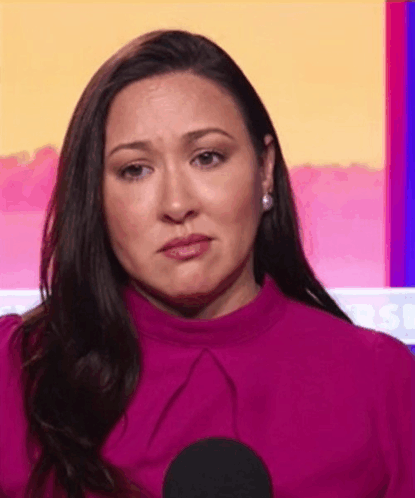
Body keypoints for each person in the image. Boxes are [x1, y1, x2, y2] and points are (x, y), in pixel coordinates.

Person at [0, 29, 413, 498]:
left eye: (207, 157)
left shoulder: (383, 381)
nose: (176, 204)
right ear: (95, 196)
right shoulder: (15, 370)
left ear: (265, 168)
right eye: (135, 169)